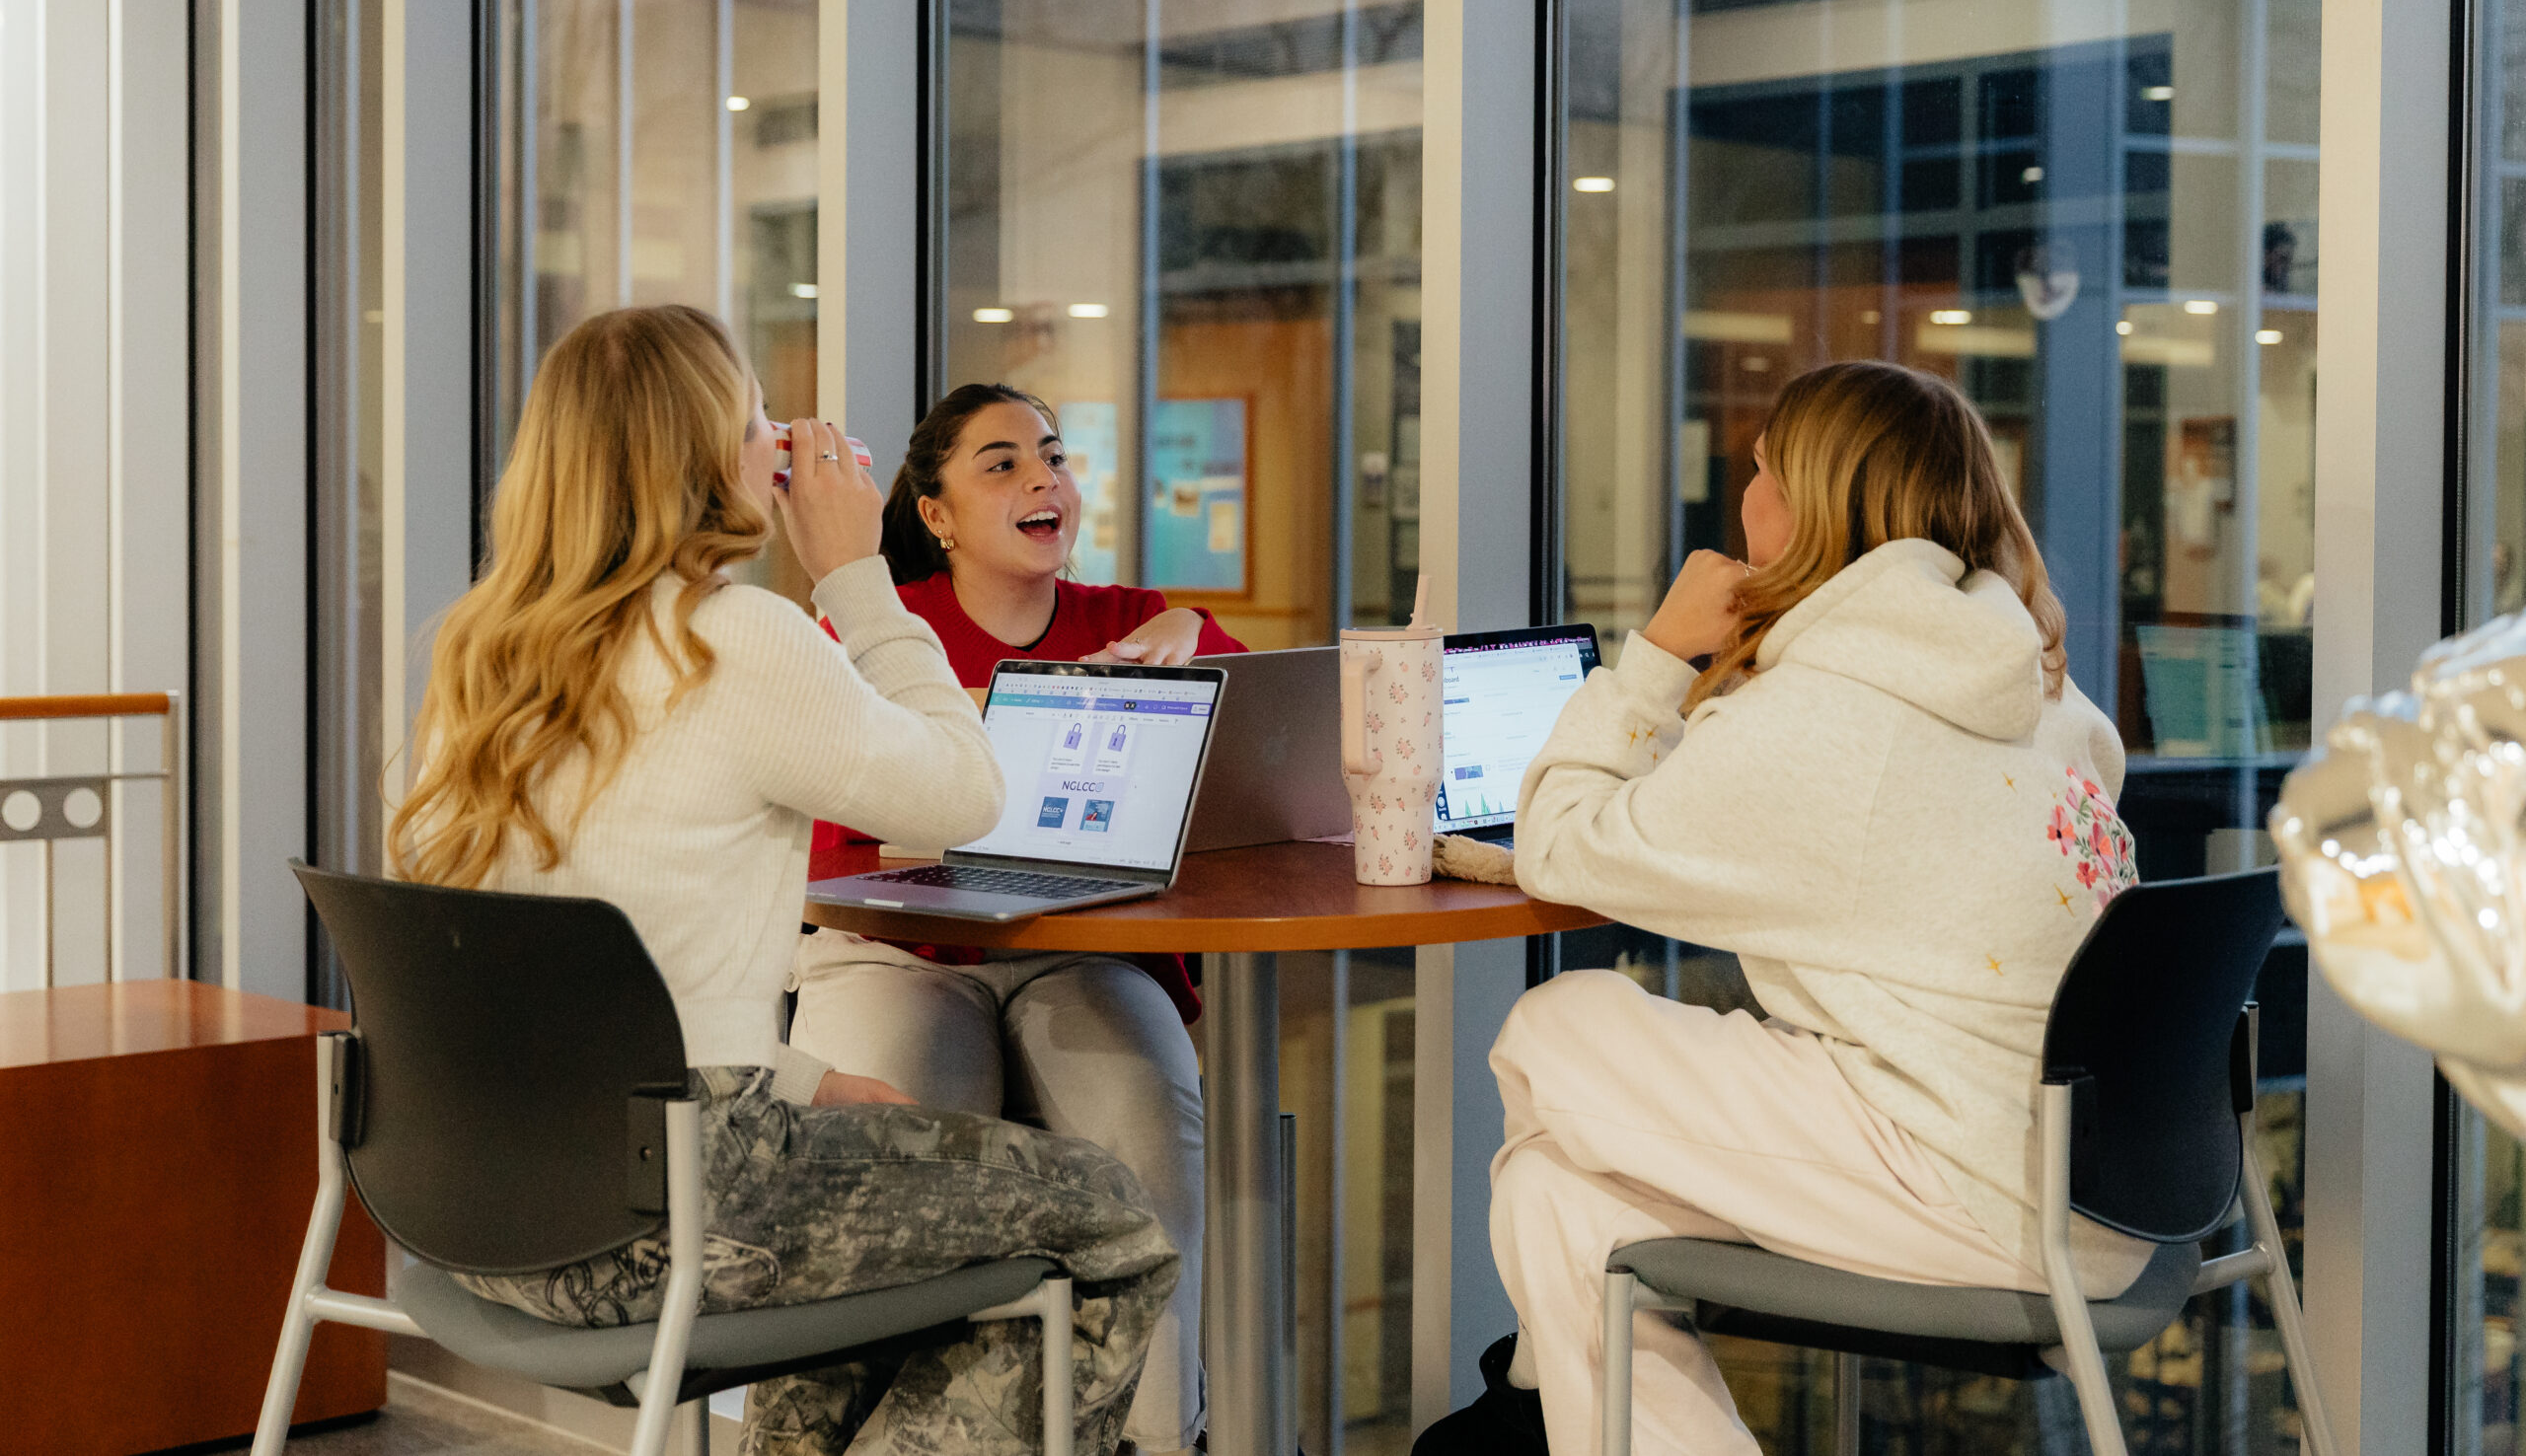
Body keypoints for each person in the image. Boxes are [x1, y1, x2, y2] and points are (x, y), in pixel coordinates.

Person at [385, 308, 1177, 1456]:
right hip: (672, 1212)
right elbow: (968, 795)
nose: (785, 441)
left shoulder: (484, 649)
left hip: (477, 1206)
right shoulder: (737, 637)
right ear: (707, 458)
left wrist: (804, 1078)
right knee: (1110, 1224)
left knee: (885, 1221)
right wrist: (857, 576)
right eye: (759, 417)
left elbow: (600, 971)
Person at [1419, 360, 2150, 1456]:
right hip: (2107, 1177)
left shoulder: (1834, 711)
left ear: (1809, 507)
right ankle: (1532, 1406)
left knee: (1551, 1026)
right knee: (1558, 1194)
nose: (1744, 498)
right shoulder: (2041, 686)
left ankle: (1524, 1407)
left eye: (1761, 470)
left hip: (1982, 1188)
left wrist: (1657, 654)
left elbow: (1562, 847)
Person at [791, 383, 1244, 1456]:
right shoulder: (872, 628)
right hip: (894, 951)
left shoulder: (1134, 621)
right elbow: (824, 838)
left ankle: (1154, 1440)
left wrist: (1197, 634)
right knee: (910, 1154)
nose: (1044, 477)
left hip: (1080, 951)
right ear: (936, 514)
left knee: (1146, 1147)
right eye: (1001, 463)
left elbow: (1240, 773)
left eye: (1053, 455)